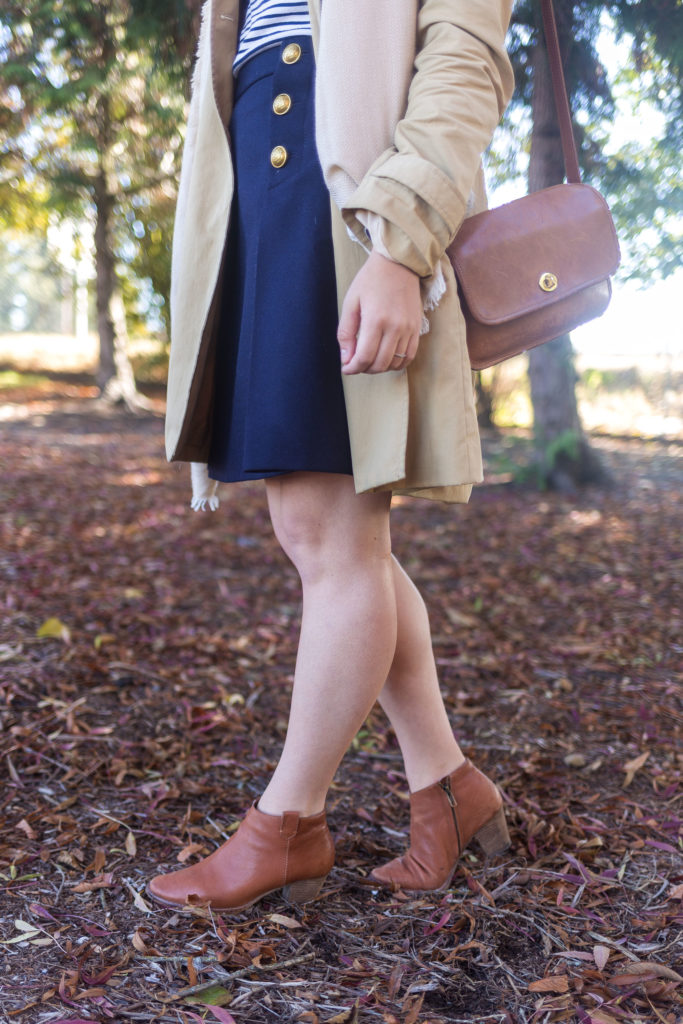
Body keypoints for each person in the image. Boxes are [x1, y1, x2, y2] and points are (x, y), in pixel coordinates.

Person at [149, 0, 515, 911]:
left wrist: (399, 246)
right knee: (324, 532)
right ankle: (449, 787)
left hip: (352, 212)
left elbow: (465, 59)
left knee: (331, 537)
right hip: (267, 203)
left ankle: (289, 826)